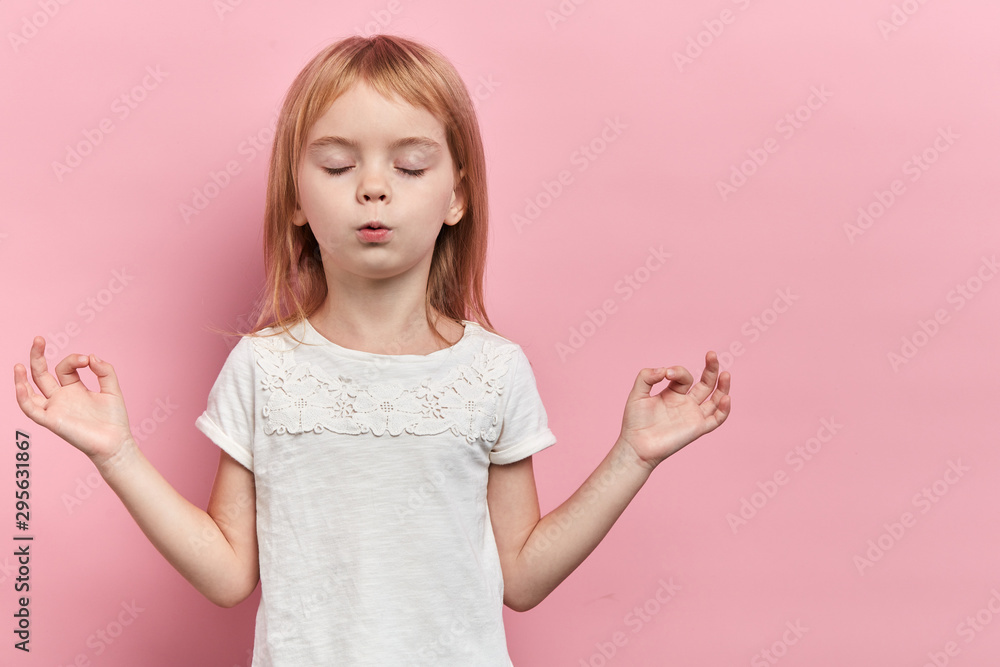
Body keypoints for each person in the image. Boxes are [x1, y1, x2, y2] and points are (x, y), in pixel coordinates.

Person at [12, 34, 731, 666]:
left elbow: (520, 576)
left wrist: (632, 456)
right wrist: (117, 453)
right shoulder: (264, 368)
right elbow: (229, 572)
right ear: (294, 195)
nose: (375, 188)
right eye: (336, 165)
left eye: (411, 166)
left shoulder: (494, 371)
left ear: (457, 196)